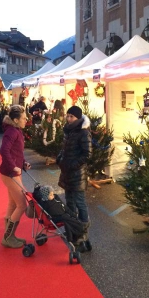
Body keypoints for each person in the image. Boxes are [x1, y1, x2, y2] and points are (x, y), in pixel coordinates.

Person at [56, 105, 92, 248]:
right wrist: (60, 158)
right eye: (68, 116)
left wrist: (73, 164)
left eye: (72, 116)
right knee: (70, 203)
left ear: (78, 117)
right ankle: (72, 230)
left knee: (80, 203)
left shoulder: (83, 132)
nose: (69, 118)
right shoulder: (68, 131)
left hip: (77, 175)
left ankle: (83, 232)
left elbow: (87, 154)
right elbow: (64, 149)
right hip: (67, 174)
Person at [0, 105, 31, 248]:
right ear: (16, 120)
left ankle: (8, 235)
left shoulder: (16, 130)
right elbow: (4, 150)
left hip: (13, 172)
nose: (27, 120)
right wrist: (13, 166)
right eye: (24, 118)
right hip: (10, 173)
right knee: (22, 205)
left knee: (13, 203)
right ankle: (8, 237)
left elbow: (15, 152)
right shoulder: (12, 131)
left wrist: (23, 163)